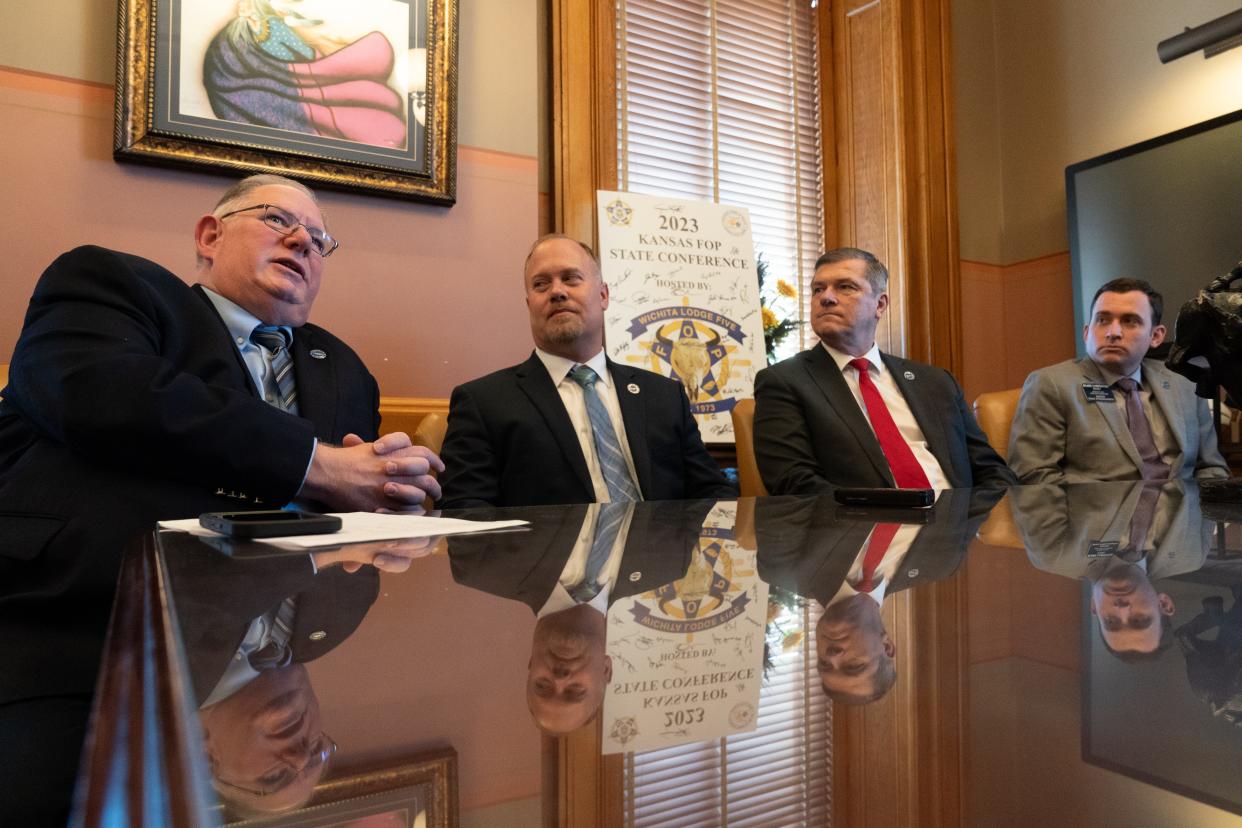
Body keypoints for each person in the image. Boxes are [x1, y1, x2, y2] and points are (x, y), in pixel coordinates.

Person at [0, 174, 442, 564]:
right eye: (276, 220)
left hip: (294, 617)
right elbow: (102, 396)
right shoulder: (114, 285)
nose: (303, 241)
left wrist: (393, 489)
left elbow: (357, 489)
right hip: (103, 594)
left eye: (319, 241)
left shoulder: (348, 369)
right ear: (211, 237)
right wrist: (320, 467)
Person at [438, 234, 736, 508]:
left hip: (660, 561)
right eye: (541, 284)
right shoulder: (483, 403)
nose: (557, 291)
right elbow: (466, 513)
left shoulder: (663, 395)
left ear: (604, 295)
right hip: (549, 565)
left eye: (571, 278)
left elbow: (711, 492)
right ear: (529, 304)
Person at [752, 247, 1014, 495]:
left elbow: (990, 469)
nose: (826, 297)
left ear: (880, 304)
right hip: (865, 533)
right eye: (818, 289)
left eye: (845, 287)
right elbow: (795, 483)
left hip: (959, 530)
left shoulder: (936, 382)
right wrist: (892, 513)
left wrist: (982, 522)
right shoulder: (785, 381)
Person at [757, 488, 999, 704]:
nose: (832, 656)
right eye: (854, 666)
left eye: (824, 664)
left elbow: (793, 481)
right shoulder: (941, 563)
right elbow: (986, 486)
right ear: (887, 646)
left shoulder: (784, 567)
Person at [1008, 278, 1229, 484]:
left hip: (1182, 521)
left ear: (1156, 336)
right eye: (1102, 320)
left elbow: (1211, 468)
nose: (1113, 332)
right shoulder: (1051, 384)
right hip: (1098, 522)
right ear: (1087, 332)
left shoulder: (1185, 383)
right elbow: (1034, 477)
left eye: (1130, 321)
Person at [1012, 479, 1210, 660]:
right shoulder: (1191, 554)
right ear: (1164, 604)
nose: (1121, 610)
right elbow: (1211, 479)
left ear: (1094, 608)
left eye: (1111, 621)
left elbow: (1034, 477)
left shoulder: (1054, 554)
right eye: (1139, 620)